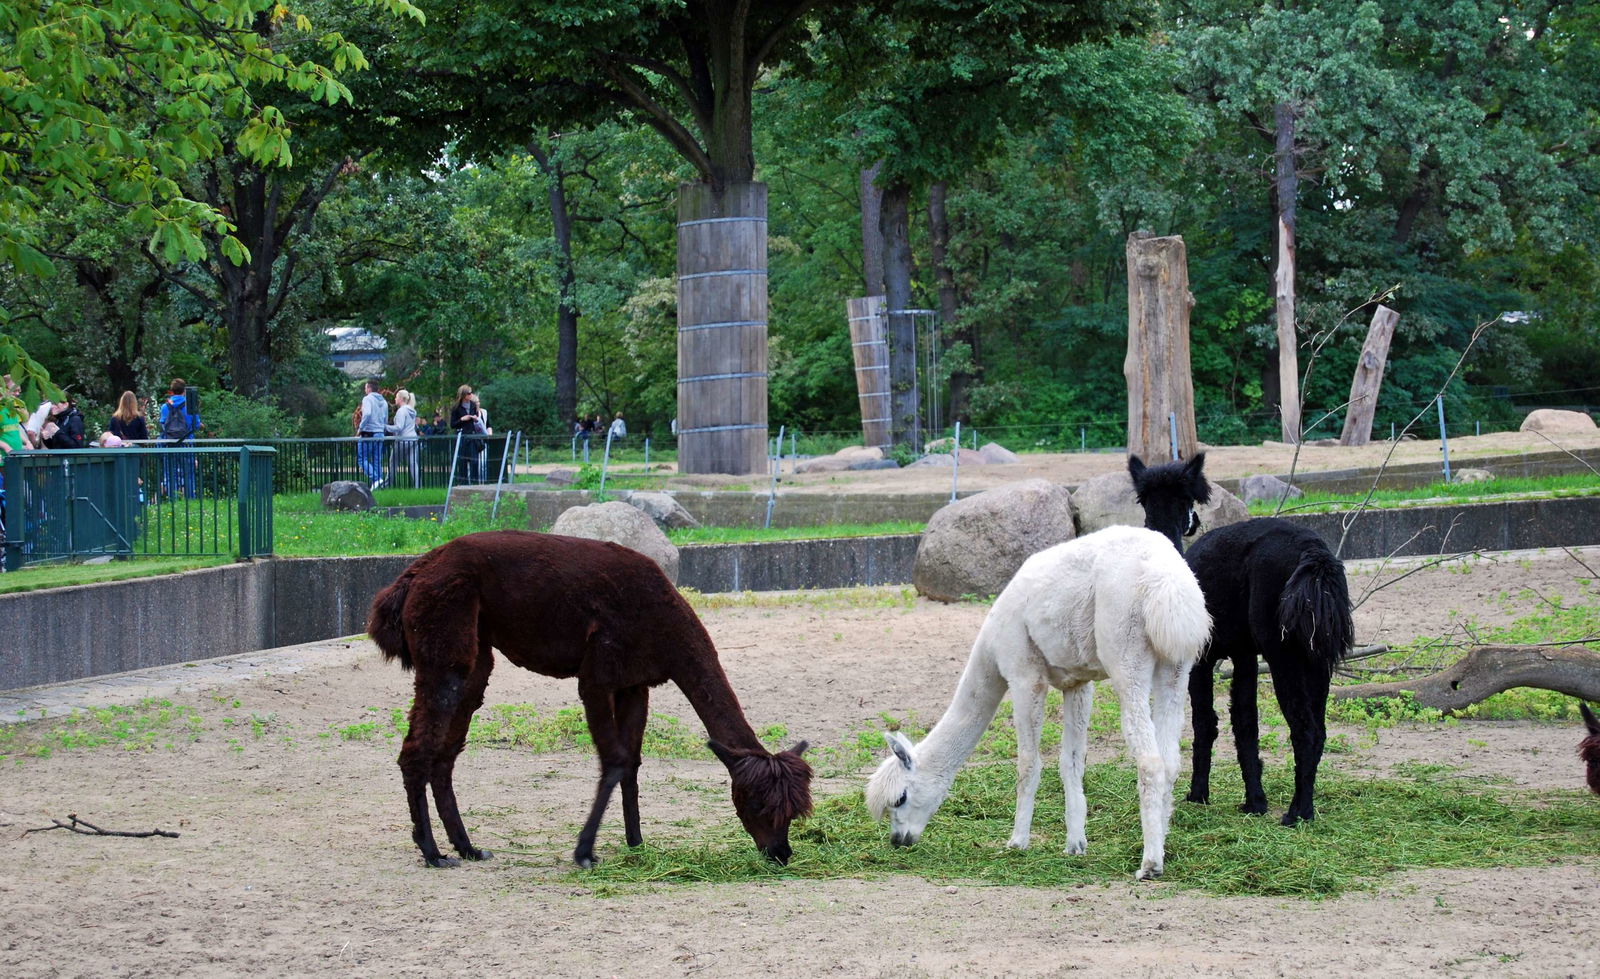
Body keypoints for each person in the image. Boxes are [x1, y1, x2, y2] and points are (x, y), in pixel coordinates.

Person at [158, 378, 201, 498]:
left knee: (170, 474)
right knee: (189, 474)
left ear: (172, 390)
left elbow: (162, 425)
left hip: (170, 444)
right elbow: (196, 425)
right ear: (184, 390)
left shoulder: (165, 407)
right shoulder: (190, 405)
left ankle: (173, 500)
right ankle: (189, 501)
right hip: (187, 443)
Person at [357, 378, 389, 490]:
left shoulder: (367, 399)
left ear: (369, 388)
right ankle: (379, 486)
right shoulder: (384, 401)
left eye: (365, 388)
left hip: (368, 432)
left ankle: (376, 479)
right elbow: (385, 418)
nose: (365, 390)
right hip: (380, 433)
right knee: (377, 460)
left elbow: (367, 414)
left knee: (362, 459)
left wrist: (360, 428)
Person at [386, 389, 421, 488]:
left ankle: (388, 484)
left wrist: (385, 426)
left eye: (396, 397)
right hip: (413, 439)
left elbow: (399, 427)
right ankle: (418, 487)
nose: (395, 399)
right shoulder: (412, 411)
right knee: (413, 464)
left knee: (393, 463)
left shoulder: (401, 411)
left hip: (402, 440)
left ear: (401, 399)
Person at [449, 385, 483, 483]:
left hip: (473, 436)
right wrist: (462, 419)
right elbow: (452, 424)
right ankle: (462, 484)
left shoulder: (473, 405)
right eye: (469, 393)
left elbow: (477, 418)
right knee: (462, 462)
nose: (471, 395)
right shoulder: (456, 407)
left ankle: (475, 483)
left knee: (474, 461)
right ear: (464, 395)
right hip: (462, 437)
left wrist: (476, 419)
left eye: (471, 392)